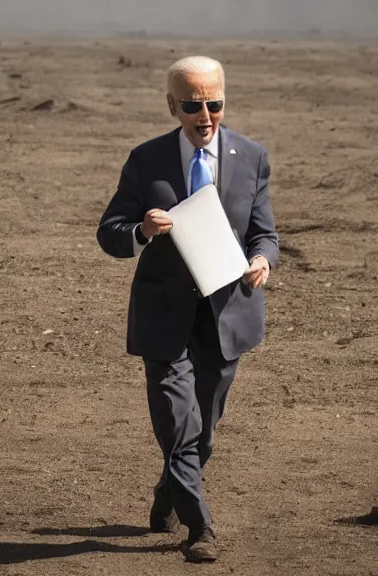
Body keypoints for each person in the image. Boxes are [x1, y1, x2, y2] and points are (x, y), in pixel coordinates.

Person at [96, 55, 278, 562]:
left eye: (214, 103)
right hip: (164, 315)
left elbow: (264, 231)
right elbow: (109, 232)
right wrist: (141, 231)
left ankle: (170, 491)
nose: (205, 116)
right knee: (180, 422)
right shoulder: (146, 159)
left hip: (229, 315)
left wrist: (263, 258)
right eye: (194, 105)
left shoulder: (253, 157)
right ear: (172, 105)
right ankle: (200, 528)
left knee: (206, 427)